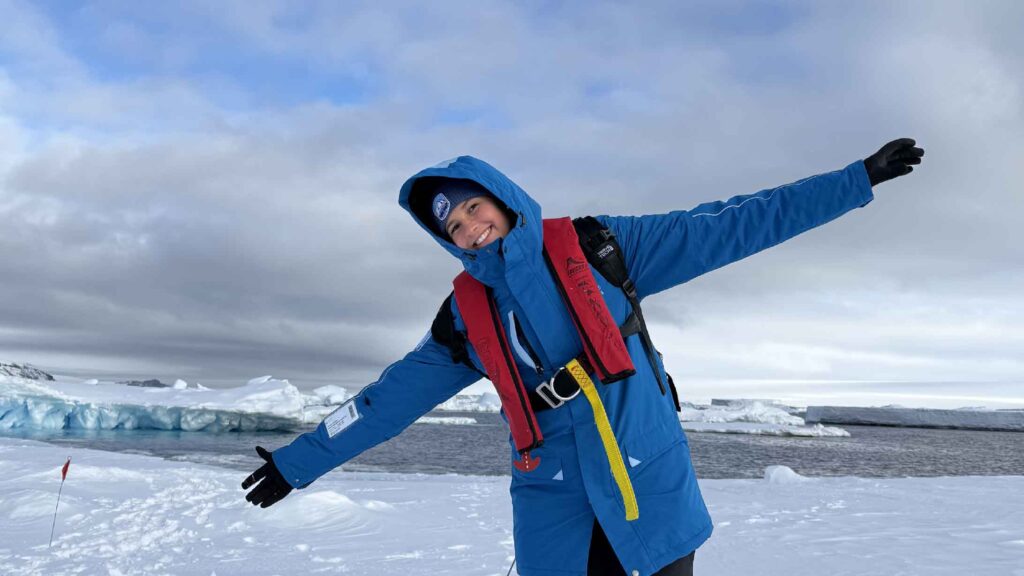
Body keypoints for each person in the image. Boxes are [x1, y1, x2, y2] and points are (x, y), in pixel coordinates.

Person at [242, 139, 924, 575]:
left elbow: (732, 224)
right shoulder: (465, 317)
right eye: (454, 227)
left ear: (502, 200)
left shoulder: (601, 245)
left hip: (645, 483)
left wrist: (854, 178)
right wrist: (299, 462)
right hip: (552, 506)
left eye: (475, 208)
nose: (471, 227)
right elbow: (385, 401)